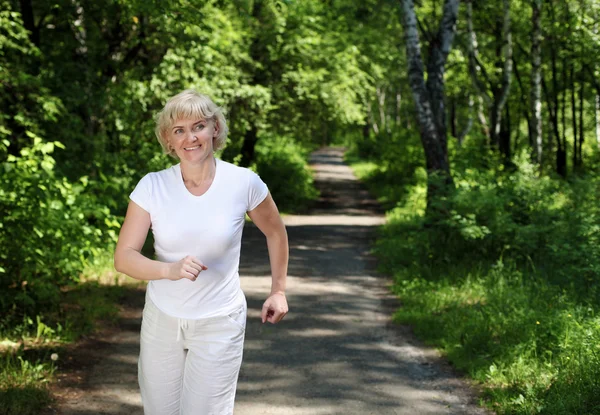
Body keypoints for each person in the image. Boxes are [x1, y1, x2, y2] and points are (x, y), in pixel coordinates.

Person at [114, 89, 289, 415]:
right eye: (179, 130)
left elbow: (276, 232)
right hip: (162, 320)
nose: (190, 137)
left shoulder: (243, 183)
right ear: (168, 140)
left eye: (198, 126)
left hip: (219, 320)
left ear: (215, 129)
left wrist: (278, 291)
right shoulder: (152, 186)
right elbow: (124, 257)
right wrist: (169, 270)